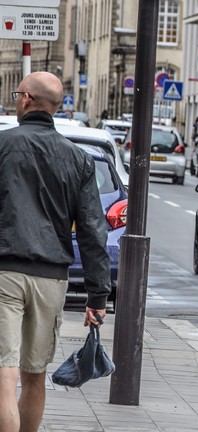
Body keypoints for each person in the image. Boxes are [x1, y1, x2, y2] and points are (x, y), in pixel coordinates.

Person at [0, 72, 111, 432]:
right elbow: (94, 230)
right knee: (34, 376)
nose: (17, 99)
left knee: (4, 375)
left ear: (28, 99)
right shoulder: (78, 160)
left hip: (5, 273)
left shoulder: (2, 145)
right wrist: (97, 294)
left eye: (18, 94)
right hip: (52, 280)